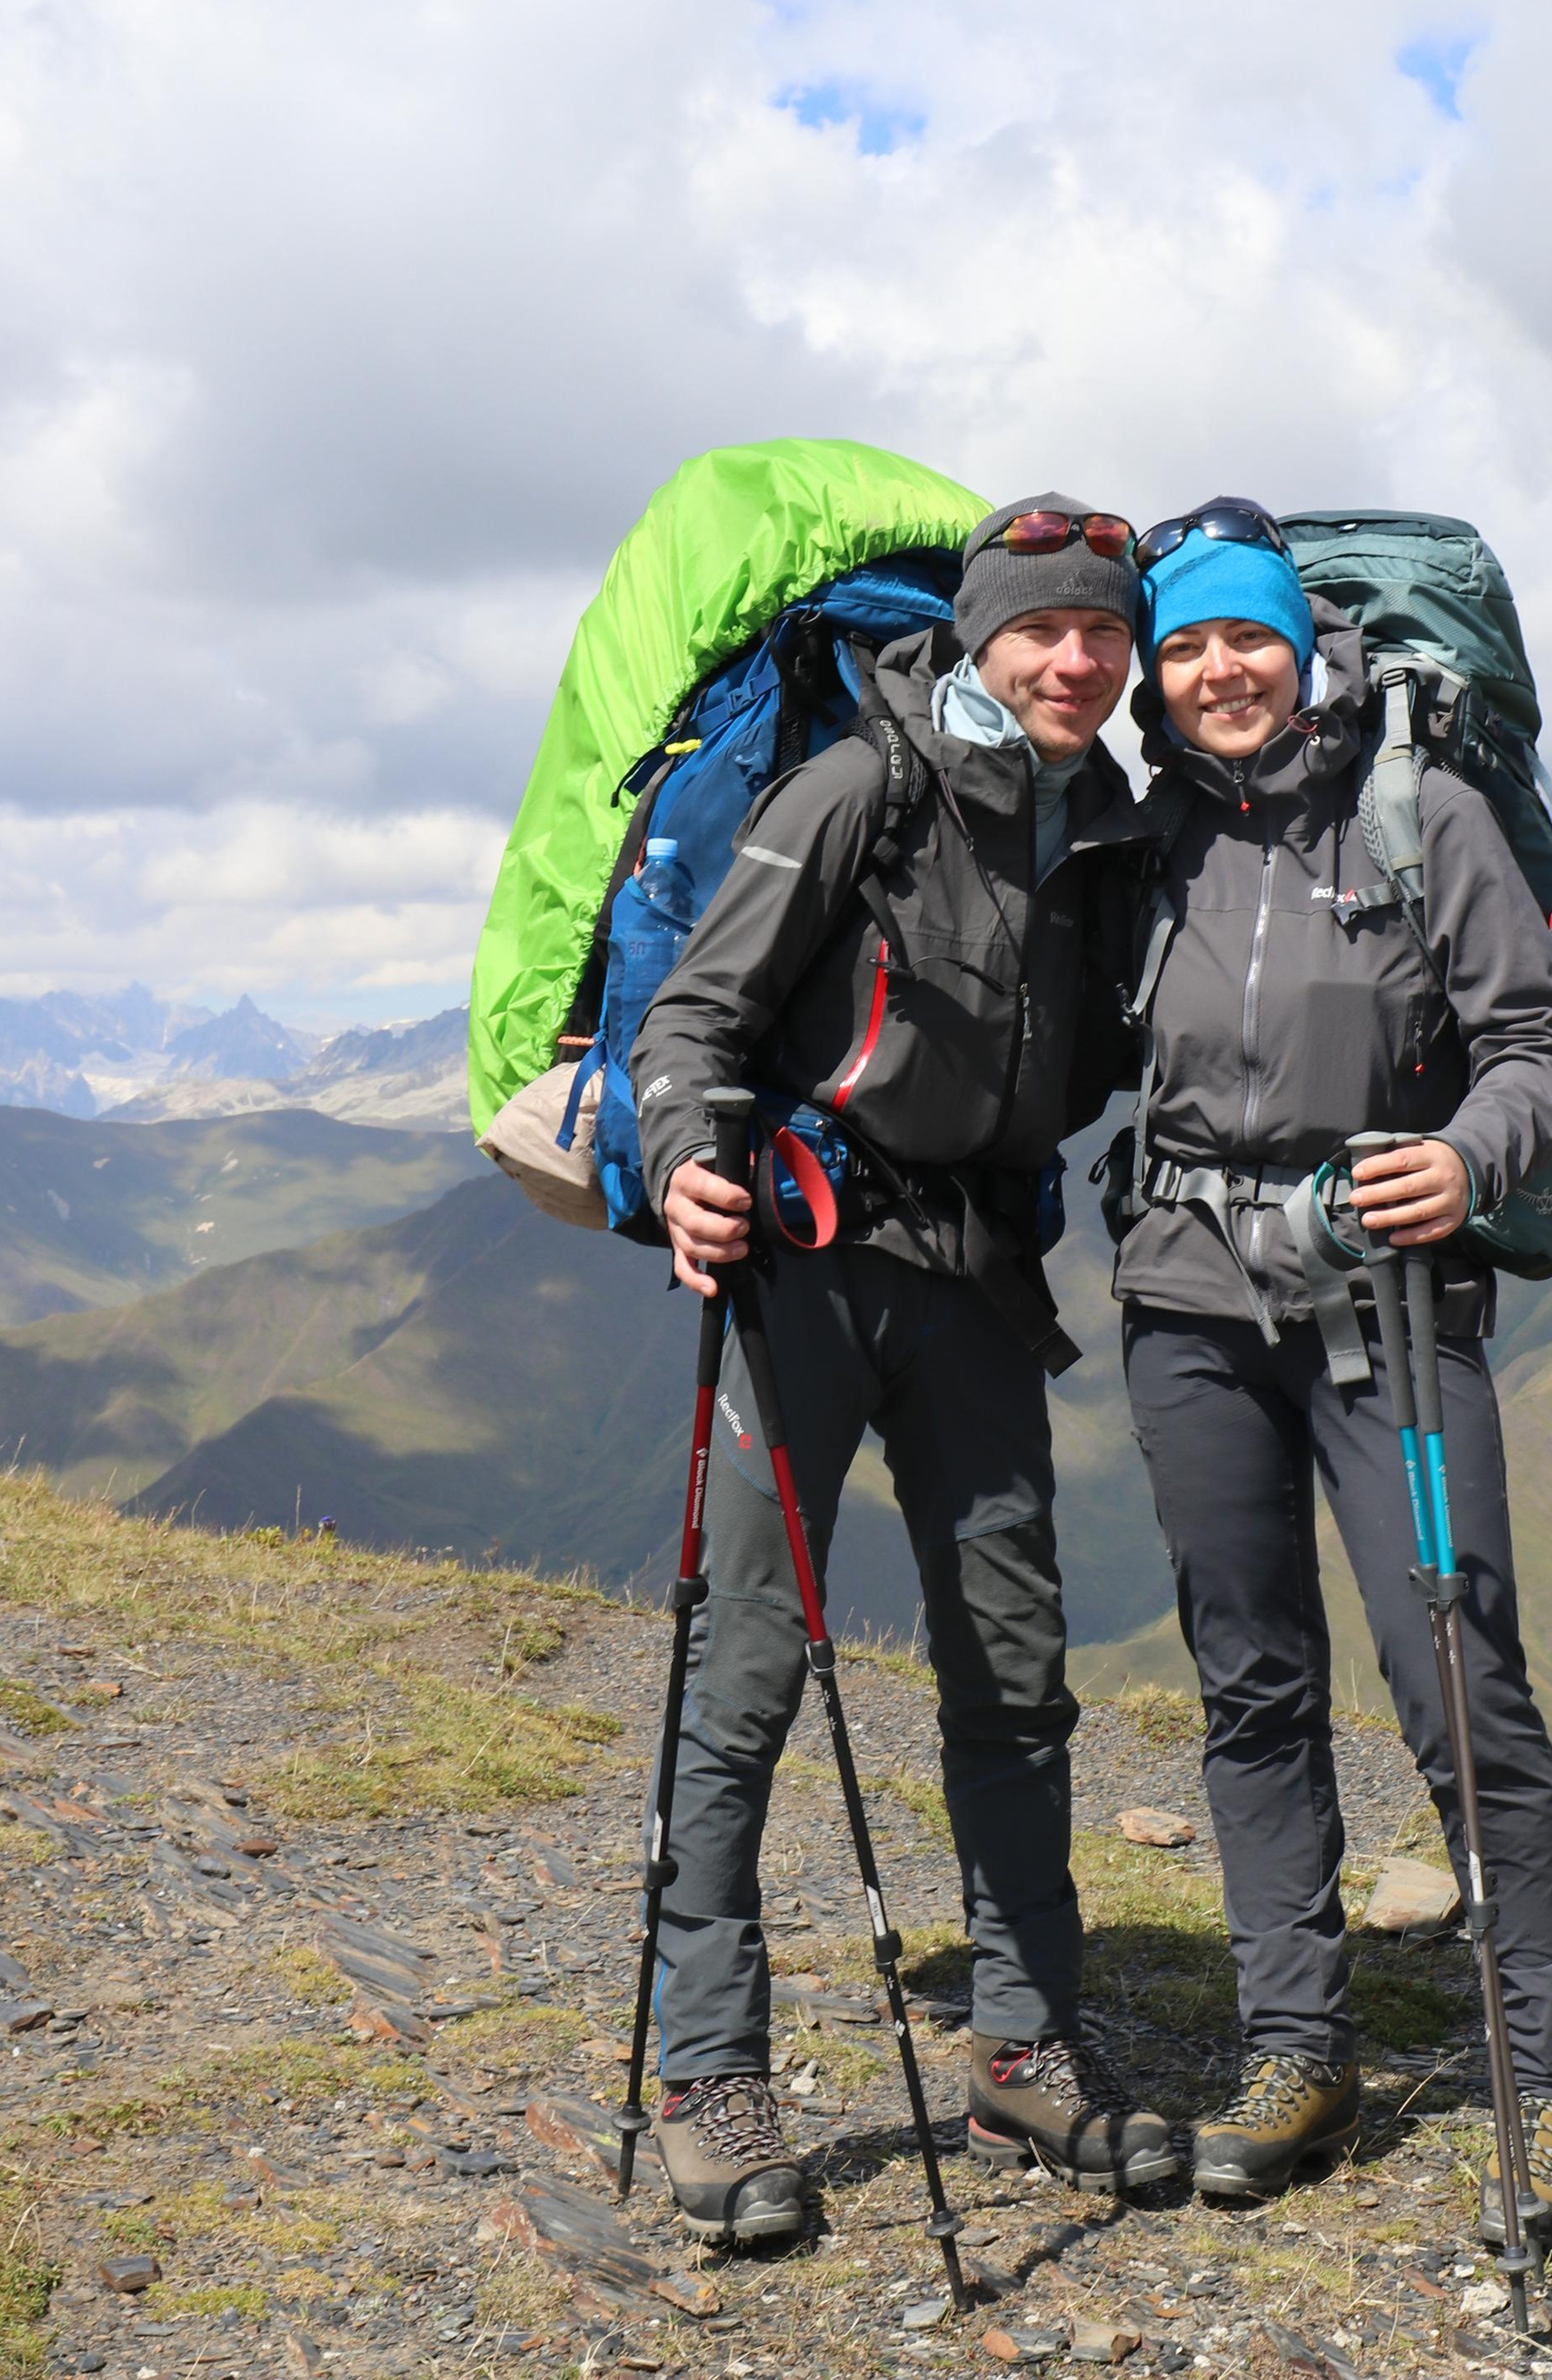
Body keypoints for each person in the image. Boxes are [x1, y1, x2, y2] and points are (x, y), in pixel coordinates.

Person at [630, 493, 1179, 2236]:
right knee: (745, 1673)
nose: (1076, 658)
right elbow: (695, 1016)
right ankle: (707, 2075)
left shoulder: (1106, 823)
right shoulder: (857, 784)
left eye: (1103, 631)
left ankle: (1022, 2043)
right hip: (804, 1266)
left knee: (1013, 1670)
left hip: (975, 1280)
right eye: (1044, 628)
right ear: (982, 635)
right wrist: (684, 1161)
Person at [1107, 500, 1552, 2236]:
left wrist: (1467, 1157)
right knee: (1250, 1687)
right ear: (1154, 677)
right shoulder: (1143, 841)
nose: (1219, 671)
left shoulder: (1419, 814)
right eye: (1184, 647)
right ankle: (1295, 2054)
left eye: (1244, 637)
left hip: (1390, 1309)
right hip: (1187, 1310)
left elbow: (1537, 1039)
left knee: (1456, 1685)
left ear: (1300, 648)